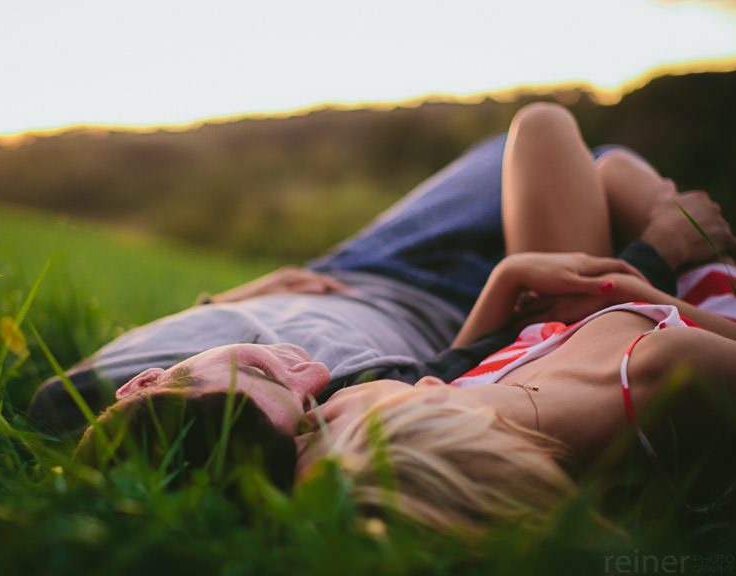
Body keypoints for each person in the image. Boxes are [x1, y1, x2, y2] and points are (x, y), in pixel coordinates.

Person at [294, 103, 736, 533]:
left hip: (559, 323)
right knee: (616, 171)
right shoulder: (663, 372)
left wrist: (505, 279)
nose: (314, 409)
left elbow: (456, 363)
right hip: (684, 298)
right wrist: (635, 291)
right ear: (422, 399)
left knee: (544, 127)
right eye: (321, 426)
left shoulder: (466, 419)